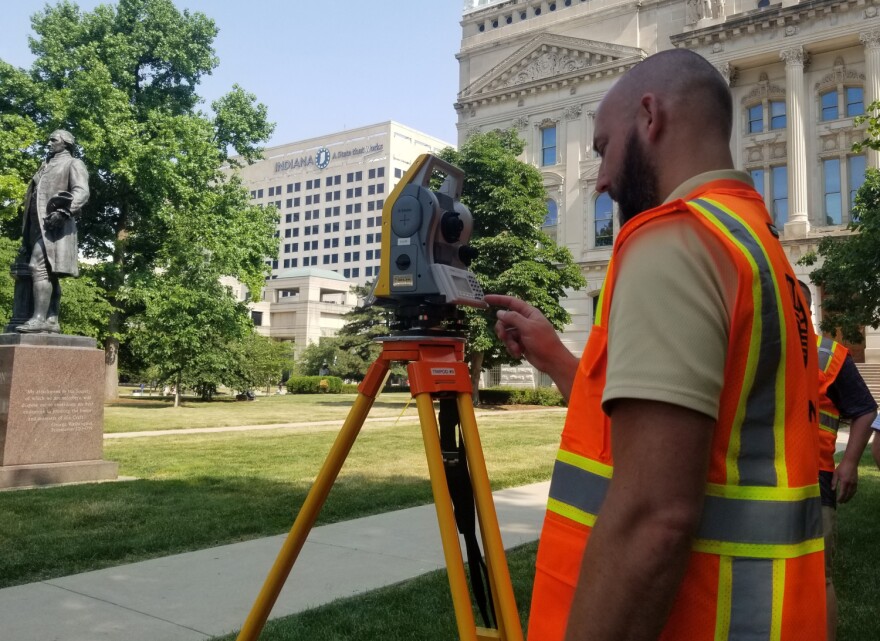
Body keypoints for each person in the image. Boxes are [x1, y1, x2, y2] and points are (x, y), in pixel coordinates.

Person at [485, 49, 825, 640]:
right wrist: (558, 359)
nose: (602, 181)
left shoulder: (672, 240)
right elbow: (693, 440)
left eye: (603, 148)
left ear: (650, 117)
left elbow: (653, 518)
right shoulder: (759, 252)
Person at [798, 281, 878, 641]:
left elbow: (864, 409)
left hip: (816, 478)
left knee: (820, 574)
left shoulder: (829, 354)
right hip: (760, 475)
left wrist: (849, 465)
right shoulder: (760, 349)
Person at [16, 129, 89, 333]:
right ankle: (52, 320)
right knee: (49, 272)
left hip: (56, 227)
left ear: (66, 143)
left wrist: (65, 211)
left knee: (37, 267)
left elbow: (82, 191)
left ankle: (39, 319)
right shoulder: (46, 165)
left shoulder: (74, 163)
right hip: (36, 226)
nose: (49, 143)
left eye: (53, 140)